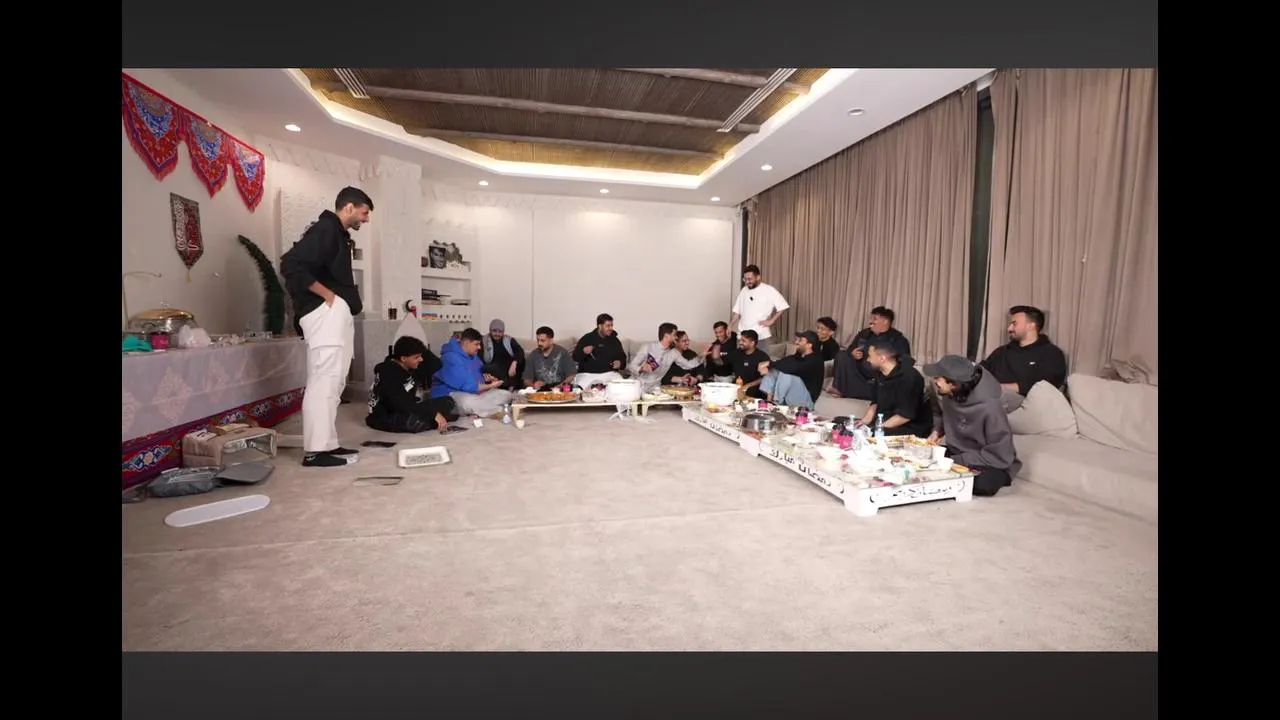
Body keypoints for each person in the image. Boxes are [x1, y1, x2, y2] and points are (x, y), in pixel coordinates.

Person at [279, 186, 373, 468]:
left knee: (335, 382)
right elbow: (291, 264)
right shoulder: (326, 228)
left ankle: (327, 443)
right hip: (324, 312)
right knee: (324, 380)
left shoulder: (338, 234)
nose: (366, 219)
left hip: (334, 313)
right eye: (364, 212)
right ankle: (315, 451)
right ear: (348, 207)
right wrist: (327, 296)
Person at [924, 355, 1022, 497]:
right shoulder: (948, 393)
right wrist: (937, 432)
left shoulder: (990, 407)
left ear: (954, 383)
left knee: (984, 484)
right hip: (958, 453)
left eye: (938, 378)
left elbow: (1000, 455)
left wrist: (956, 461)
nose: (935, 381)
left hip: (990, 462)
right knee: (923, 457)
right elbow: (941, 414)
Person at [980, 305, 1069, 412]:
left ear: (1030, 326)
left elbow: (1045, 386)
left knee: (992, 398)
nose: (1009, 329)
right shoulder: (1002, 352)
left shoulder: (1051, 353)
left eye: (1014, 324)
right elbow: (981, 371)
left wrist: (998, 387)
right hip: (994, 394)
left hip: (1028, 402)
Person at [366, 336, 460, 433]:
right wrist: (433, 414)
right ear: (403, 358)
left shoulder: (409, 366)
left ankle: (434, 419)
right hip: (387, 415)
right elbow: (401, 405)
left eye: (421, 355)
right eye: (416, 357)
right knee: (414, 422)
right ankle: (435, 419)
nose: (421, 359)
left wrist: (420, 348)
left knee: (448, 402)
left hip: (408, 406)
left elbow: (436, 364)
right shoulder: (389, 374)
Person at [828, 306, 913, 401]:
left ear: (885, 321)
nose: (870, 321)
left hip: (879, 378)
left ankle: (869, 394)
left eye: (874, 319)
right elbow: (851, 349)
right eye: (871, 318)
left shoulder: (898, 339)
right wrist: (853, 353)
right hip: (859, 374)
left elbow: (905, 362)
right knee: (842, 355)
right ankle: (840, 389)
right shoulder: (864, 334)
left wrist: (884, 364)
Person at [855, 338, 932, 438]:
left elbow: (905, 416)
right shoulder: (880, 374)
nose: (868, 360)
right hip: (883, 422)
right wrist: (863, 421)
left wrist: (876, 429)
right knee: (845, 424)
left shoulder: (909, 377)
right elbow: (876, 402)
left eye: (870, 356)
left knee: (871, 435)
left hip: (907, 427)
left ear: (882, 358)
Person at [429, 327, 513, 417]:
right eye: (476, 344)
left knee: (506, 395)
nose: (479, 347)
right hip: (450, 394)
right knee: (469, 402)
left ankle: (483, 409)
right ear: (466, 342)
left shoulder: (473, 356)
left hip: (474, 394)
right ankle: (499, 410)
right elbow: (469, 386)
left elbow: (479, 378)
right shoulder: (450, 357)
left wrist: (488, 381)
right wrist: (491, 386)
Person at [756, 331, 825, 409]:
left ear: (809, 345)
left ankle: (776, 404)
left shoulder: (816, 360)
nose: (796, 342)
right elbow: (782, 362)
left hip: (806, 401)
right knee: (773, 370)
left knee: (786, 374)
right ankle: (768, 401)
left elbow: (792, 368)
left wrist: (769, 363)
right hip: (793, 396)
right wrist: (767, 367)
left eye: (800, 340)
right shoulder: (799, 356)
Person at [729, 264, 790, 343]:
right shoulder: (744, 290)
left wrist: (771, 321)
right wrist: (730, 325)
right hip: (742, 335)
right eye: (745, 279)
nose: (747, 282)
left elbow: (783, 306)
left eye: (749, 279)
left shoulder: (769, 290)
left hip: (761, 335)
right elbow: (737, 311)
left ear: (758, 277)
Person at [629, 322, 690, 391]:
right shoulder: (647, 347)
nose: (676, 337)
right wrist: (641, 369)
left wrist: (681, 379)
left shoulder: (673, 353)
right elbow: (631, 366)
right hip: (637, 385)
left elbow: (687, 365)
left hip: (656, 389)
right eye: (674, 335)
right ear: (666, 336)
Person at [573, 313, 629, 387]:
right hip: (588, 374)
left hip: (609, 374)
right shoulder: (587, 338)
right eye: (608, 326)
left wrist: (620, 363)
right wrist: (583, 352)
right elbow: (575, 357)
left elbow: (623, 358)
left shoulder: (615, 340)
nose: (611, 328)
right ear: (599, 326)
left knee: (621, 385)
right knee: (579, 387)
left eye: (612, 325)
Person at [481, 319, 526, 390]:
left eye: (500, 331)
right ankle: (508, 386)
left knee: (521, 361)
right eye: (494, 331)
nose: (497, 334)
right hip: (493, 369)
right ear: (490, 330)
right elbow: (480, 358)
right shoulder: (483, 341)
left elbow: (520, 351)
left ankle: (511, 386)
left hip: (509, 369)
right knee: (489, 367)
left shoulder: (509, 340)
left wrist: (514, 363)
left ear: (503, 332)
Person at [729, 330, 771, 399]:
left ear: (752, 343)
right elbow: (722, 363)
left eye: (743, 341)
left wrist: (747, 386)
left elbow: (766, 377)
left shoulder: (762, 356)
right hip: (737, 385)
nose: (740, 342)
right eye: (740, 340)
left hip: (754, 388)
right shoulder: (736, 353)